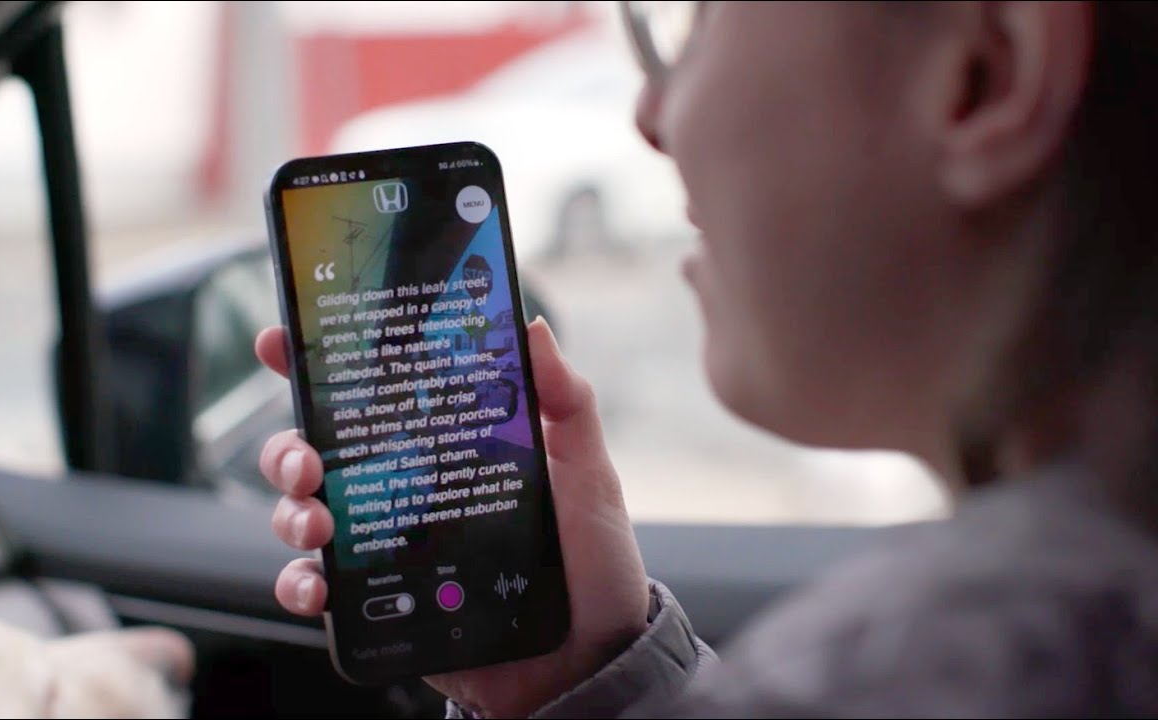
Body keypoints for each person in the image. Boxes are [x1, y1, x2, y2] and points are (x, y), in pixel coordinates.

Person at [253, 2, 1158, 717]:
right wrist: (577, 675)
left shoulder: (906, 673)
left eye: (696, 20)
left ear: (985, 75)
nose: (652, 116)